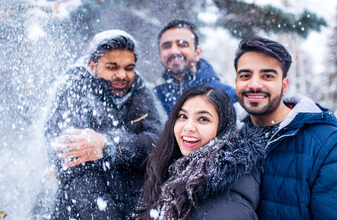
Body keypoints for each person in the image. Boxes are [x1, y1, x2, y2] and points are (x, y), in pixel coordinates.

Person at [45, 30, 163, 219]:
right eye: (112, 67)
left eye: (129, 68)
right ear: (93, 66)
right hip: (82, 211)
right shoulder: (74, 90)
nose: (122, 75)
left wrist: (110, 146)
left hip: (136, 207)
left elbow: (157, 143)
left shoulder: (140, 92)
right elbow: (74, 168)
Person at [234, 35, 337, 219]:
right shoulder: (228, 137)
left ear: (284, 85)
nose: (255, 85)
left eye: (267, 76)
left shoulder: (327, 143)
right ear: (236, 83)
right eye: (245, 75)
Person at [136, 84, 265, 220]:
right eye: (183, 116)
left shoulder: (228, 199)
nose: (188, 127)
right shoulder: (173, 172)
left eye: (203, 119)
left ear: (223, 128)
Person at [154, 20, 237, 115]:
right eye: (167, 46)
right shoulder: (154, 98)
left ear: (197, 53)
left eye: (182, 45)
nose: (174, 51)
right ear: (159, 55)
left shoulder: (227, 96)